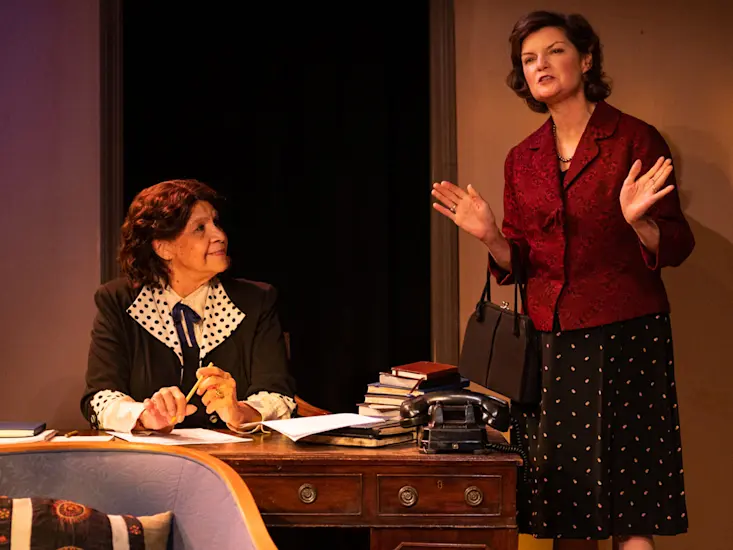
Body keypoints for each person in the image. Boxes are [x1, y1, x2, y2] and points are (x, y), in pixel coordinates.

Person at [432, 11, 693, 550]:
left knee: (630, 510)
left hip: (627, 336)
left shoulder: (634, 139)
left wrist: (639, 222)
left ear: (586, 59)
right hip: (550, 346)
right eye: (529, 59)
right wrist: (491, 236)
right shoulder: (521, 159)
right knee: (566, 512)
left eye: (554, 51)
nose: (540, 65)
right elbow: (520, 261)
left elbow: (678, 243)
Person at [81, 179, 296, 433]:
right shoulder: (119, 301)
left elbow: (279, 397)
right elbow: (99, 399)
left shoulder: (256, 301)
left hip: (235, 454)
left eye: (216, 223)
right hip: (150, 456)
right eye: (200, 228)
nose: (220, 236)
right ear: (163, 247)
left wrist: (239, 412)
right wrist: (144, 415)